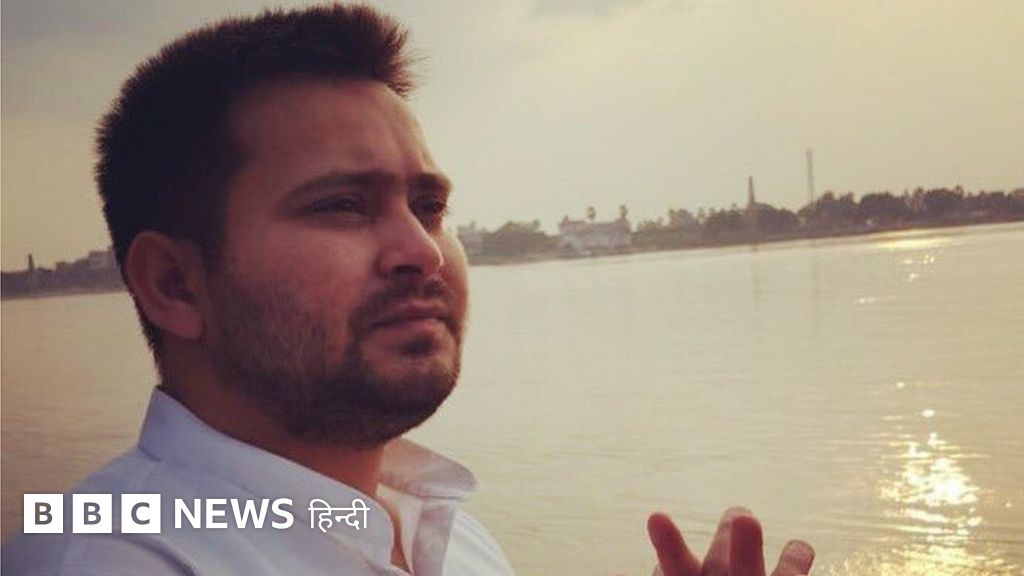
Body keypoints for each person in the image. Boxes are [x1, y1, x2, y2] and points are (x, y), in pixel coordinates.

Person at [3, 5, 813, 576]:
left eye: (429, 207)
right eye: (341, 205)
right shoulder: (103, 555)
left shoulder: (445, 536)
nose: (423, 252)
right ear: (176, 284)